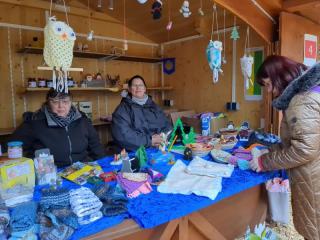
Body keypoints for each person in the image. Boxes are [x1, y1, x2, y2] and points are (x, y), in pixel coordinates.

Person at [249, 55, 320, 240]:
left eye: (268, 84)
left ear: (280, 75)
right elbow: (298, 141)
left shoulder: (301, 101)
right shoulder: (308, 92)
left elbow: (304, 149)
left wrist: (265, 162)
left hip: (313, 180)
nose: (270, 91)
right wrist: (271, 151)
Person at [11, 88, 105, 167]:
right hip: (51, 172)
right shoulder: (35, 122)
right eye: (55, 102)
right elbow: (13, 145)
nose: (61, 106)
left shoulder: (81, 119)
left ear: (71, 102)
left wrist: (104, 165)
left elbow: (95, 145)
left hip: (82, 168)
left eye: (65, 101)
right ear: (48, 102)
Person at [111, 75, 172, 151]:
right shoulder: (122, 110)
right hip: (136, 152)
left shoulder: (154, 106)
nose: (138, 88)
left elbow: (167, 125)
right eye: (134, 85)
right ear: (129, 89)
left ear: (145, 89)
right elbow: (123, 135)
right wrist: (149, 140)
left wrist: (163, 137)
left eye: (141, 85)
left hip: (159, 148)